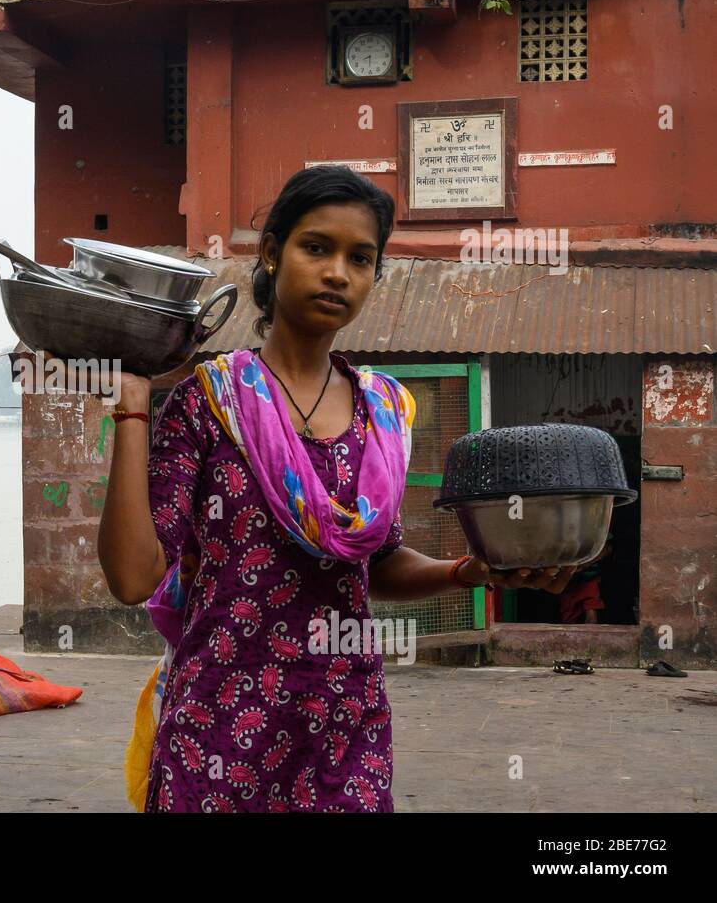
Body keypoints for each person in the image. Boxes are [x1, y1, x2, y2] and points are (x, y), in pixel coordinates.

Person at [98, 166, 583, 813]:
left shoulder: (381, 412)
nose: (337, 273)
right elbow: (133, 578)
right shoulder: (208, 403)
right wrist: (132, 409)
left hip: (342, 720)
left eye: (360, 258)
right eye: (316, 247)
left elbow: (375, 564)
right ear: (272, 252)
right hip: (220, 724)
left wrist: (471, 570)